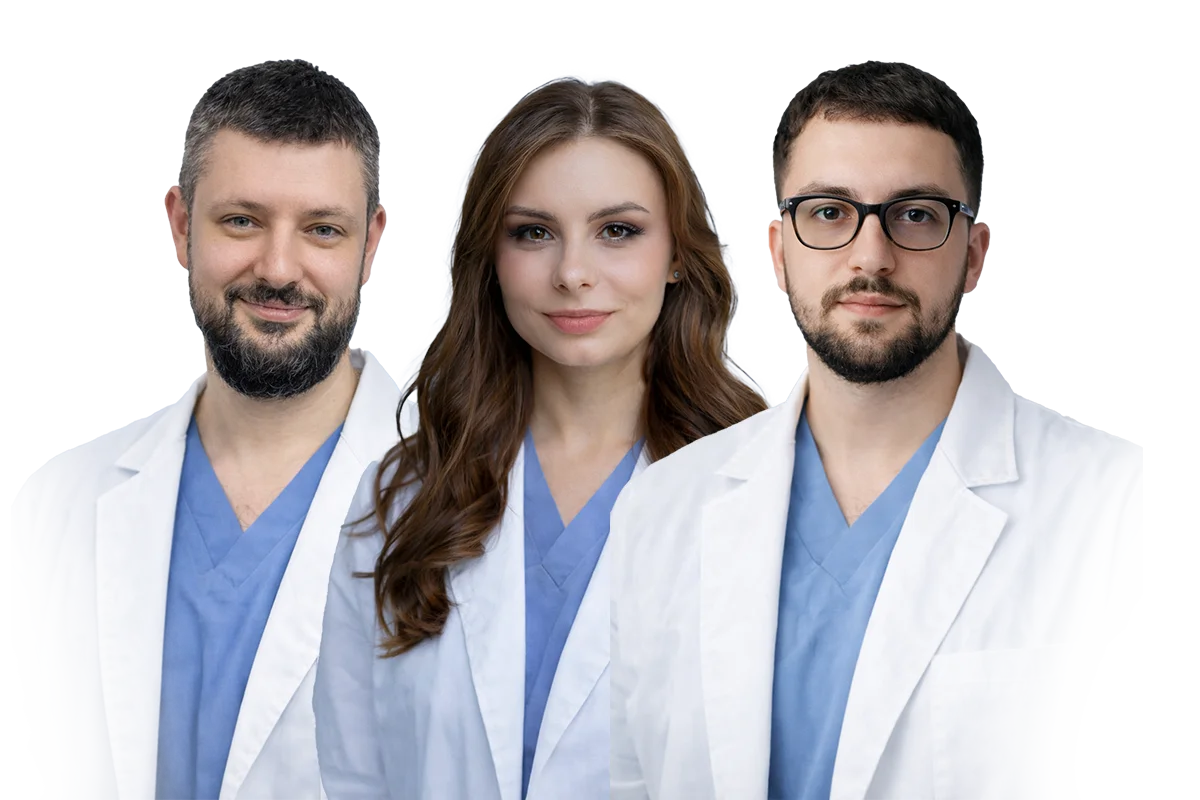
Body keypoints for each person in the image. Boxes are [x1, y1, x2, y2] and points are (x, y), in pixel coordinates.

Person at [609, 59, 1144, 800]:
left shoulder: (1123, 513)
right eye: (828, 212)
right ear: (778, 250)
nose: (870, 257)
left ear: (975, 255)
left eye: (917, 214)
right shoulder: (662, 510)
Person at [311, 74, 771, 800]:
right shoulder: (402, 505)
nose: (573, 274)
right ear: (490, 260)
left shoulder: (768, 493)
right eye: (534, 233)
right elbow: (347, 777)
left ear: (678, 254)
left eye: (618, 231)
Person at [8, 58, 402, 799]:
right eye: (242, 221)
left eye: (322, 229)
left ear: (370, 245)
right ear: (181, 225)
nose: (279, 269)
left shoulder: (472, 499)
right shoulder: (55, 508)